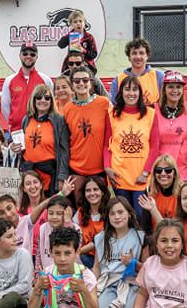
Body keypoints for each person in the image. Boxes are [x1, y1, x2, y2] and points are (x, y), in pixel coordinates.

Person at [13, 227, 107, 308]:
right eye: (57, 253)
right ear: (51, 252)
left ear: (77, 252)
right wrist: (38, 288)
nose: (62, 259)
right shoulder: (48, 272)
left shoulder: (86, 276)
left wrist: (83, 290)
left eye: (67, 253)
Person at [104, 75, 157, 221]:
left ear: (140, 92)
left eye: (135, 89)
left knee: (140, 217)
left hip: (141, 177)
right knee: (123, 217)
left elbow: (155, 146)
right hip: (119, 175)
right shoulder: (112, 114)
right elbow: (106, 145)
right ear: (121, 92)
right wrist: (107, 167)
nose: (131, 93)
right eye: (127, 89)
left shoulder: (150, 114)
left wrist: (146, 172)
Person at [61, 66, 111, 206]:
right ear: (72, 84)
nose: (81, 84)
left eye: (85, 80)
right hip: (77, 169)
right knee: (81, 210)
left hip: (99, 169)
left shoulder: (104, 103)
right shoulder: (68, 109)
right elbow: (65, 141)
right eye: (77, 81)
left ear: (91, 82)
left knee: (100, 210)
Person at [94, 197, 148, 308]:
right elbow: (96, 266)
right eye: (112, 214)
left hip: (131, 282)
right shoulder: (101, 238)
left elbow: (147, 269)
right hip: (109, 282)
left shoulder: (140, 237)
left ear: (129, 214)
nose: (116, 217)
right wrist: (92, 287)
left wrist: (133, 262)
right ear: (108, 217)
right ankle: (110, 304)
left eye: (120, 212)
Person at [20, 84, 70, 194]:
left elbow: (64, 151)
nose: (43, 100)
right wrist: (16, 148)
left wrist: (62, 177)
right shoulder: (27, 119)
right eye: (39, 97)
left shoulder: (58, 121)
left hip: (49, 174)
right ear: (33, 100)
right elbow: (23, 147)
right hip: (30, 174)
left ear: (51, 101)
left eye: (47, 98)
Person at [1, 42, 53, 137]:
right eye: (25, 53)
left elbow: (51, 104)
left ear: (37, 57)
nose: (28, 56)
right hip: (17, 131)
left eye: (32, 54)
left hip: (40, 129)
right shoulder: (9, 81)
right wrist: (15, 121)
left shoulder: (45, 80)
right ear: (20, 56)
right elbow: (5, 107)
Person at [150, 70, 187, 180]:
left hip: (182, 169)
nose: (175, 91)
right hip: (160, 169)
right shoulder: (152, 110)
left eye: (178, 87)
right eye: (171, 87)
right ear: (164, 89)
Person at [109, 38, 165, 106]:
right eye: (134, 53)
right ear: (129, 57)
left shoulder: (159, 77)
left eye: (141, 53)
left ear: (147, 56)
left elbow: (164, 103)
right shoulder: (118, 80)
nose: (138, 57)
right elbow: (114, 105)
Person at [34, 194, 77, 272]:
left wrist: (67, 223)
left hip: (68, 274)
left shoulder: (75, 228)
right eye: (51, 213)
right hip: (47, 274)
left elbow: (72, 248)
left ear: (67, 213)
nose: (54, 217)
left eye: (59, 213)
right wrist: (37, 272)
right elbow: (38, 254)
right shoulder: (43, 228)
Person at [139, 154, 182, 230]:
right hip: (156, 237)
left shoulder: (182, 192)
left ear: (175, 173)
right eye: (158, 170)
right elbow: (146, 225)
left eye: (168, 170)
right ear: (154, 174)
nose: (163, 174)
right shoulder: (149, 191)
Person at [74, 175, 110, 268]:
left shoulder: (111, 211)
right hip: (85, 258)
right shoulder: (80, 212)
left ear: (102, 192)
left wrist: (76, 253)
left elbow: (98, 241)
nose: (92, 193)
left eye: (95, 189)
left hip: (107, 259)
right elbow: (72, 235)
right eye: (88, 190)